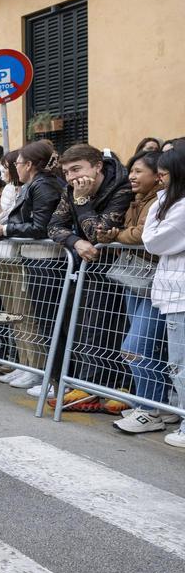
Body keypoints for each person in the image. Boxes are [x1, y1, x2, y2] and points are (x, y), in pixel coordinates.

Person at [45, 144, 134, 411]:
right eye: (67, 172)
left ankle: (119, 388)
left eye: (76, 169)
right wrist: (75, 242)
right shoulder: (70, 188)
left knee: (118, 329)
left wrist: (82, 202)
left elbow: (99, 232)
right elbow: (54, 225)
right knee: (87, 327)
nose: (71, 178)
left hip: (125, 271)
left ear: (97, 166)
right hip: (89, 267)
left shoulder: (122, 187)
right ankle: (88, 387)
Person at [0, 140, 67, 393]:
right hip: (35, 259)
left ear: (28, 164)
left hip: (47, 261)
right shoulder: (35, 185)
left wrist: (4, 229)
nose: (14, 167)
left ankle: (54, 380)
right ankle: (45, 374)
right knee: (39, 319)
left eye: (16, 163)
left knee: (48, 322)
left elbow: (40, 226)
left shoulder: (44, 185)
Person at [104, 151, 174, 431]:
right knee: (146, 349)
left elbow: (143, 236)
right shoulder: (135, 199)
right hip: (135, 280)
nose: (131, 176)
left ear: (158, 175)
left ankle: (149, 411)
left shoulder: (162, 200)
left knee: (136, 348)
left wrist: (118, 235)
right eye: (130, 170)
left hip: (154, 281)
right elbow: (123, 228)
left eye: (138, 171)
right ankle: (154, 406)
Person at [143, 144, 185, 446]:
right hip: (175, 291)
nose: (160, 181)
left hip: (180, 294)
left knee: (180, 363)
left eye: (164, 175)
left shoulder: (179, 207)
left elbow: (153, 241)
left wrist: (160, 202)